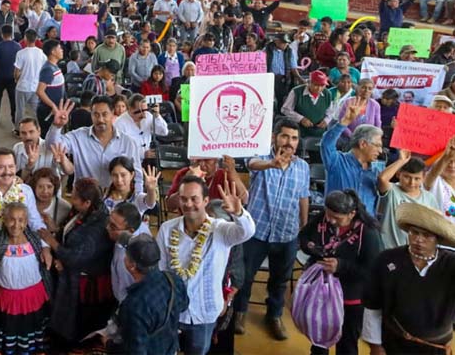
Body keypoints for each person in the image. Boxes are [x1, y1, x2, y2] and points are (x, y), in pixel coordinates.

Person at [155, 176, 255, 355]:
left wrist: (238, 213)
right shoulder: (167, 229)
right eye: (184, 198)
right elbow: (161, 270)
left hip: (205, 313)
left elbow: (246, 232)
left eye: (194, 199)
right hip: (173, 310)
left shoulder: (221, 229)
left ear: (206, 200)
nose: (188, 204)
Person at [233, 118, 310, 340]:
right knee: (245, 275)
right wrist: (271, 164)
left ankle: (274, 315)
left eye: (294, 138)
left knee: (280, 279)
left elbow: (303, 197)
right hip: (256, 230)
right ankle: (239, 311)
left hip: (287, 232)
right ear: (275, 137)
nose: (289, 142)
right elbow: (251, 164)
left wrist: (303, 228)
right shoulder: (262, 158)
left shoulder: (303, 167)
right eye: (285, 136)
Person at [362, 202, 455, 354]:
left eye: (426, 235)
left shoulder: (451, 263)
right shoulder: (386, 260)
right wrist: (375, 346)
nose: (418, 239)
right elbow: (373, 307)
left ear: (438, 238)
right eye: (414, 232)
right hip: (394, 345)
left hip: (437, 348)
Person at [298, 190, 382, 355]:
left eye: (337, 217)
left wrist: (341, 266)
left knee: (347, 344)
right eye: (328, 214)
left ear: (352, 214)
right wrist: (312, 247)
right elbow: (303, 236)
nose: (330, 220)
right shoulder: (324, 218)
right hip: (322, 292)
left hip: (351, 298)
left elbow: (372, 269)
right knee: (319, 337)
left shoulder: (368, 232)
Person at [0, 201, 53, 355]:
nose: (16, 224)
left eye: (21, 220)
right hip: (8, 301)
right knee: (8, 339)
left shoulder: (34, 240)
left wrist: (47, 249)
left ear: (26, 222)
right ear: (5, 221)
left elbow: (46, 249)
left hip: (34, 299)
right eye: (12, 219)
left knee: (33, 337)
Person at [42, 177, 116, 346]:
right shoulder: (83, 213)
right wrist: (54, 228)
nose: (71, 199)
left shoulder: (98, 226)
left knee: (75, 322)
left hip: (85, 282)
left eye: (75, 197)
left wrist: (51, 241)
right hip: (70, 273)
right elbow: (69, 233)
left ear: (87, 202)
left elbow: (76, 257)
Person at [46, 96, 144, 193]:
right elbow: (52, 146)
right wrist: (57, 126)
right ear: (91, 115)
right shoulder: (78, 137)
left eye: (104, 114)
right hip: (84, 201)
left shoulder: (128, 143)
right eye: (96, 115)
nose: (100, 119)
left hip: (115, 200)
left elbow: (137, 176)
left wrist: (137, 200)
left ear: (112, 113)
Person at [116, 233, 189, 355]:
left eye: (126, 256)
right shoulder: (173, 279)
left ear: (132, 266)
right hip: (170, 348)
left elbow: (136, 350)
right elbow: (184, 305)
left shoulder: (133, 305)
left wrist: (108, 344)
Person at [321, 97, 385, 214]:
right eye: (377, 145)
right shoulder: (337, 162)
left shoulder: (379, 170)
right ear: (363, 144)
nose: (380, 151)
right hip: (337, 226)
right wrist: (344, 122)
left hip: (365, 228)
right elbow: (326, 144)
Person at [377, 150, 438, 248]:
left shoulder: (429, 198)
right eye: (407, 177)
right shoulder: (392, 190)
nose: (411, 183)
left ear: (423, 178)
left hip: (415, 252)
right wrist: (401, 161)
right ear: (398, 174)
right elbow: (382, 179)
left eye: (416, 179)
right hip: (387, 249)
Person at [281, 70, 333, 139]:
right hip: (299, 132)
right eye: (316, 85)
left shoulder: (327, 94)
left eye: (322, 85)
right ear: (309, 82)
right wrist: (301, 119)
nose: (319, 88)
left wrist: (326, 121)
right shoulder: (296, 92)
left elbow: (331, 112)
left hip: (320, 133)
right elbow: (285, 109)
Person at [0, 24, 20, 127]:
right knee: (13, 99)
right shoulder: (18, 46)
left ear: (1, 34)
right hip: (12, 78)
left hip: (0, 77)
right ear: (11, 33)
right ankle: (14, 119)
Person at [35, 39, 65, 136]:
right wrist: (53, 106)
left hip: (55, 110)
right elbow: (40, 91)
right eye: (59, 48)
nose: (62, 50)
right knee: (47, 138)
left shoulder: (54, 67)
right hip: (48, 111)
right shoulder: (48, 69)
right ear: (53, 52)